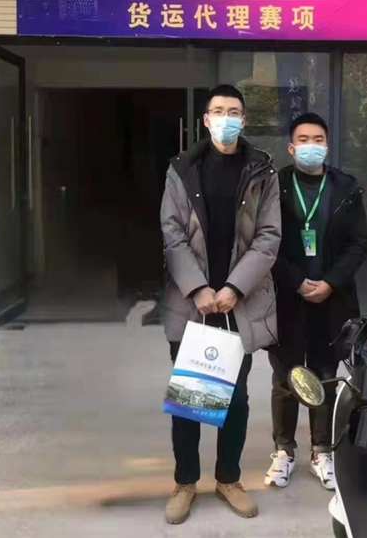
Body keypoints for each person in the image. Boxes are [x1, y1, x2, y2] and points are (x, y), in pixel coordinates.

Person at [160, 84, 281, 524]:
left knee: (236, 397)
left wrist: (234, 287)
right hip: (192, 302)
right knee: (189, 396)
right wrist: (197, 288)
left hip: (237, 303)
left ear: (243, 120)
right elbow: (172, 232)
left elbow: (269, 236)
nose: (226, 118)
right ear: (206, 119)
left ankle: (229, 479)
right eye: (218, 111)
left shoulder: (261, 170)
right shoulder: (183, 169)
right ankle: (185, 482)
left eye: (233, 111)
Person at [265, 112, 367, 491]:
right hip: (287, 298)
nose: (312, 146)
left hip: (332, 300)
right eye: (304, 140)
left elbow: (358, 244)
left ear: (327, 145)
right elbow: (265, 243)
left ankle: (322, 451)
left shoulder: (346, 188)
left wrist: (330, 282)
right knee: (286, 376)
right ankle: (283, 450)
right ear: (292, 148)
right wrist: (295, 281)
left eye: (318, 139)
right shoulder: (274, 186)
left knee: (325, 375)